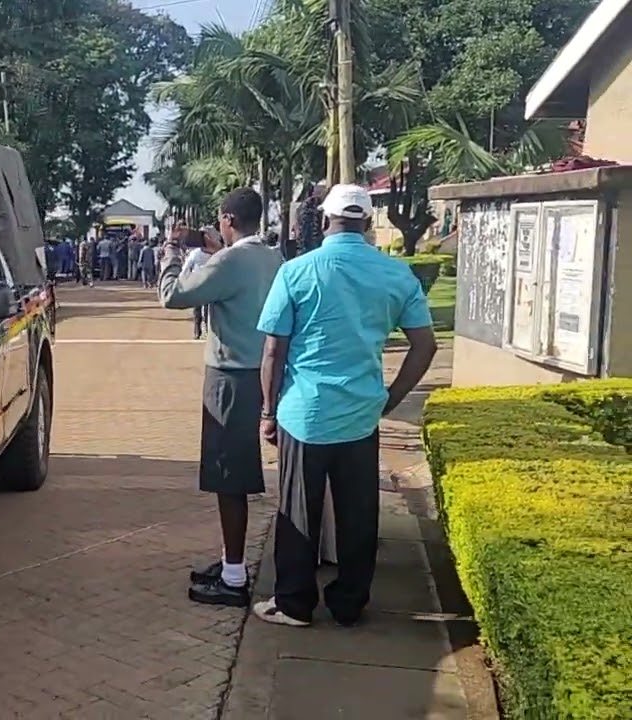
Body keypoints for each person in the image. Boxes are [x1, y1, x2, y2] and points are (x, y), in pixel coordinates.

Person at [253, 184, 438, 627]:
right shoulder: (396, 275)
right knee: (358, 513)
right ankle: (349, 603)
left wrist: (267, 411)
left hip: (305, 413)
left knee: (299, 511)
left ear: (324, 220)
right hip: (361, 413)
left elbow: (274, 352)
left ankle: (295, 603)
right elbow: (425, 346)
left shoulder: (297, 271)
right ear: (369, 223)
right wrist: (391, 398)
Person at [158, 189, 284, 608]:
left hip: (230, 376)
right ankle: (231, 563)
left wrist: (172, 249)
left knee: (228, 476)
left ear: (228, 218)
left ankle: (234, 576)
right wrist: (212, 246)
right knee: (235, 472)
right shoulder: (271, 256)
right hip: (263, 372)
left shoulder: (229, 261)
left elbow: (173, 295)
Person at [182, 226, 222, 340]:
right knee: (199, 310)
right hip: (199, 283)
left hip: (207, 283)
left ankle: (204, 330)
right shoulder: (196, 253)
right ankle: (199, 330)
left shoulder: (215, 253)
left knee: (206, 309)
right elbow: (186, 268)